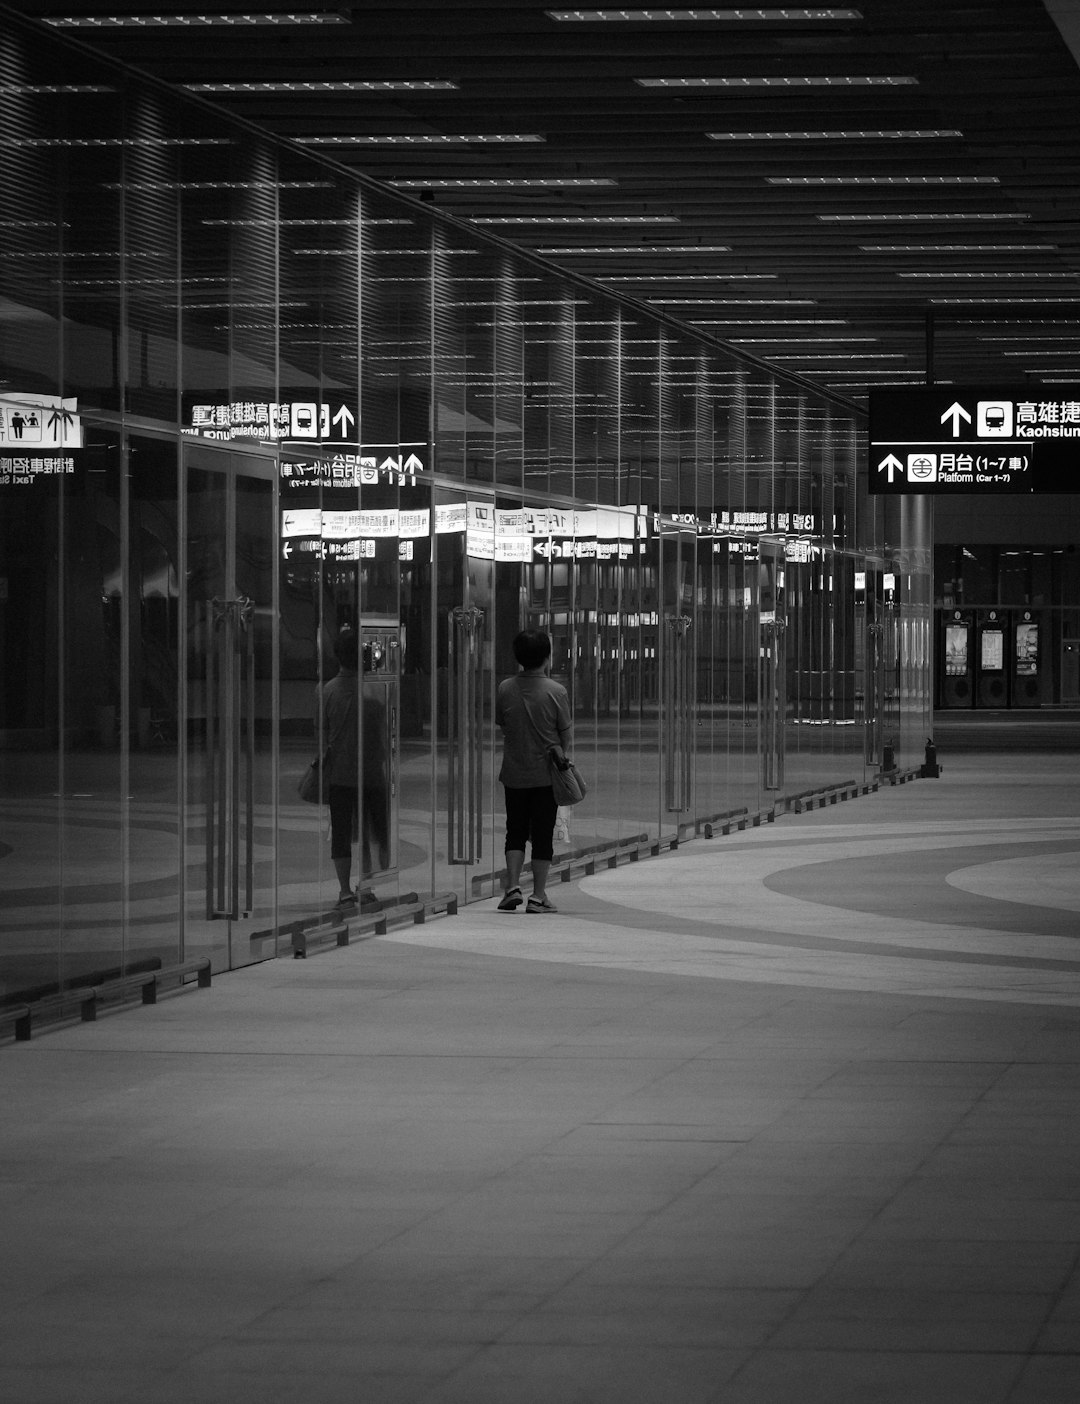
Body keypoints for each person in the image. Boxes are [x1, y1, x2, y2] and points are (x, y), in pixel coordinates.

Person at [494, 629, 571, 914]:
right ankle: (538, 896)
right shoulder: (556, 691)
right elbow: (565, 736)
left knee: (514, 830)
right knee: (541, 834)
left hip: (514, 772)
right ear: (547, 656)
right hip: (545, 775)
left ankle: (511, 887)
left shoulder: (505, 688)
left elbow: (503, 724)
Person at [318, 628, 390, 908]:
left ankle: (345, 890)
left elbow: (322, 733)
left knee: (342, 832)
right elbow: (383, 734)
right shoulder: (374, 690)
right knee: (375, 829)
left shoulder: (328, 690)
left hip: (340, 773)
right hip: (372, 772)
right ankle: (368, 882)